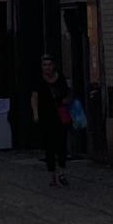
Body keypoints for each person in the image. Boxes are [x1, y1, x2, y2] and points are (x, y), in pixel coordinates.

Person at [35, 52, 69, 185]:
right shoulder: (39, 80)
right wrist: (36, 114)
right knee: (49, 146)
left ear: (53, 65)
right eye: (44, 65)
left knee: (61, 144)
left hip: (60, 115)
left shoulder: (60, 79)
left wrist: (66, 102)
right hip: (46, 116)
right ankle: (52, 175)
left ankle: (61, 172)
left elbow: (66, 95)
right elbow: (35, 97)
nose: (47, 67)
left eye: (49, 64)